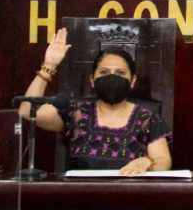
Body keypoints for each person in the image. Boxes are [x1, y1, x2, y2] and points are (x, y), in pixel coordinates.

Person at [18, 28, 172, 175]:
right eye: (104, 72)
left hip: (128, 192)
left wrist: (147, 162)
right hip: (80, 192)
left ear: (132, 81)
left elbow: (163, 161)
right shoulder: (76, 113)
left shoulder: (146, 117)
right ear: (92, 80)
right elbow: (27, 110)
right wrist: (49, 66)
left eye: (120, 72)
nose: (112, 77)